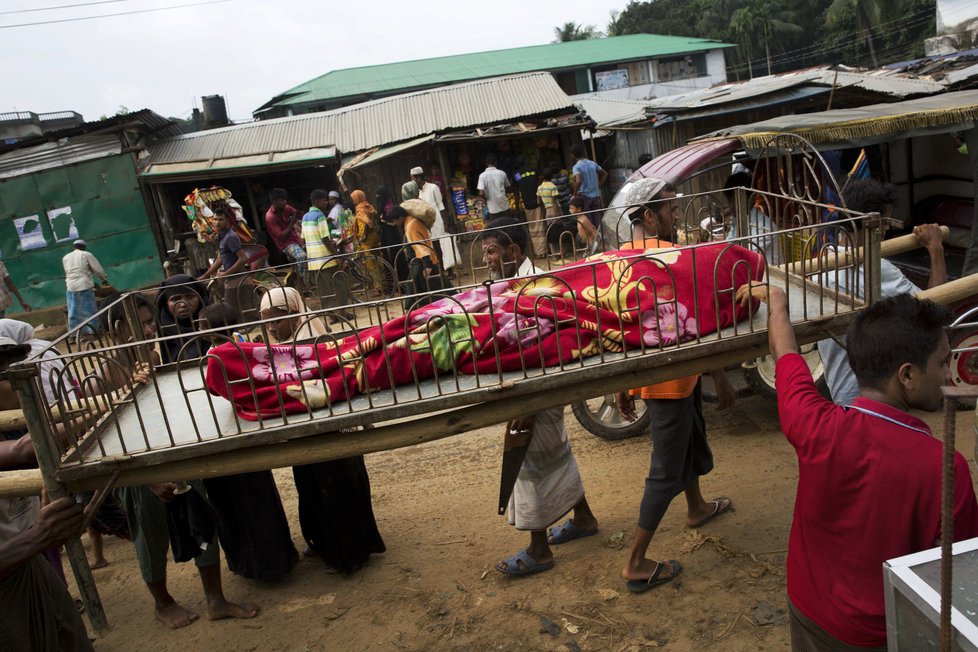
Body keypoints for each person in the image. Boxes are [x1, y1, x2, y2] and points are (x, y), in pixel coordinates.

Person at [737, 285, 978, 650]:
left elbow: (785, 351)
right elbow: (960, 576)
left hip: (808, 610)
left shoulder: (813, 422)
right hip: (881, 634)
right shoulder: (945, 467)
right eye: (943, 363)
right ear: (907, 375)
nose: (948, 375)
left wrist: (776, 301)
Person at [614, 177, 736, 593]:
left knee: (692, 437)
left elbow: (620, 329)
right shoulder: (675, 257)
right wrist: (720, 373)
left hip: (667, 375)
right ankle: (634, 562)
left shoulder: (619, 261)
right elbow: (703, 321)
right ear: (649, 216)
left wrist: (623, 384)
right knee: (664, 471)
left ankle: (697, 507)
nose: (678, 214)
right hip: (669, 379)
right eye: (670, 208)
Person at [485, 219, 599, 576]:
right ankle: (583, 517)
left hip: (538, 388)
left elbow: (541, 351)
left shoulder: (534, 289)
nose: (486, 259)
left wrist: (529, 405)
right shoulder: (517, 283)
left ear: (513, 251)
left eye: (491, 251)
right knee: (555, 449)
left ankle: (539, 550)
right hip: (531, 386)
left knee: (529, 458)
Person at [258, 286, 386, 573]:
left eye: (277, 319)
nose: (271, 327)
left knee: (341, 494)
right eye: (266, 321)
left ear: (295, 314)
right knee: (310, 492)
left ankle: (351, 556)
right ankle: (320, 542)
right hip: (303, 436)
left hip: (333, 431)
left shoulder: (317, 342)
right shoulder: (270, 349)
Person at [816, 178, 946, 405]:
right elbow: (934, 309)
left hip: (840, 390)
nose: (887, 230)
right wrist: (935, 249)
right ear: (871, 223)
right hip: (866, 394)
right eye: (885, 223)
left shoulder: (825, 261)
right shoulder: (876, 269)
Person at [0, 337, 92, 651]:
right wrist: (38, 536)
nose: (19, 382)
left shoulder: (15, 420)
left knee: (69, 636)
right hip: (15, 562)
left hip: (26, 561)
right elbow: (24, 449)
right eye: (7, 376)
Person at [196, 302, 298, 581]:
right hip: (238, 424)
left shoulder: (219, 353)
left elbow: (215, 387)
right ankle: (277, 559)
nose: (199, 330)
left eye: (204, 325)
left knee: (245, 501)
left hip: (234, 429)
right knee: (255, 498)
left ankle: (265, 565)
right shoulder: (239, 343)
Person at [384, 206, 446, 309]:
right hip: (423, 261)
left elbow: (420, 246)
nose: (394, 224)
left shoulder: (411, 226)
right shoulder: (412, 221)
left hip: (421, 263)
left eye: (394, 221)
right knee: (430, 289)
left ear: (400, 218)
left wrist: (427, 264)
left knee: (423, 290)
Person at [302, 189, 350, 312]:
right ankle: (341, 312)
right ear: (317, 201)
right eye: (325, 200)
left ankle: (331, 314)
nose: (327, 203)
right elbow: (324, 239)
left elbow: (303, 238)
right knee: (339, 284)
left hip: (313, 260)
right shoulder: (320, 216)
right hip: (326, 258)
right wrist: (337, 255)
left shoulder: (305, 217)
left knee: (324, 290)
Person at [414, 166, 461, 273]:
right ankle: (440, 270)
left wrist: (445, 222)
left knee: (442, 246)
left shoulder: (433, 188)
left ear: (419, 178)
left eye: (414, 178)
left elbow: (441, 205)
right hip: (426, 225)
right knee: (433, 247)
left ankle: (449, 270)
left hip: (437, 222)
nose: (413, 181)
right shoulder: (417, 192)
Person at [156, 274, 210, 364]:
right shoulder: (164, 323)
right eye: (175, 299)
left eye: (189, 297)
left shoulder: (214, 320)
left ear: (200, 298)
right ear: (166, 304)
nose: (183, 304)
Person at [62, 239, 108, 333]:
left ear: (73, 247)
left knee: (73, 311)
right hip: (84, 285)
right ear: (83, 247)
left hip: (70, 286)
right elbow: (98, 270)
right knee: (88, 310)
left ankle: (74, 333)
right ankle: (91, 331)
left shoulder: (66, 257)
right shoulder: (86, 254)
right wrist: (103, 279)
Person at [264, 188, 307, 273]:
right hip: (285, 244)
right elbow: (281, 237)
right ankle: (305, 281)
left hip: (296, 238)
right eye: (281, 200)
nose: (285, 202)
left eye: (284, 199)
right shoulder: (270, 217)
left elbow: (298, 214)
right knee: (302, 256)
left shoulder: (286, 208)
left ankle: (299, 278)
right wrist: (292, 223)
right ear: (274, 201)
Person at [199, 209, 248, 281]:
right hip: (231, 280)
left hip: (239, 280)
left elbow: (243, 258)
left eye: (221, 220)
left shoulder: (230, 237)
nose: (217, 222)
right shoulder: (221, 236)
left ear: (227, 221)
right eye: (215, 219)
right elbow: (221, 258)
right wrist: (205, 276)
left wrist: (225, 274)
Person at [570, 143, 608, 229]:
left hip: (585, 197)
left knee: (588, 220)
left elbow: (578, 180)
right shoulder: (592, 163)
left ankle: (592, 239)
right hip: (596, 196)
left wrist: (574, 194)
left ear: (572, 155)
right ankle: (599, 237)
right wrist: (599, 186)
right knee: (597, 219)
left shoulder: (577, 166)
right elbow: (605, 174)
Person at [516, 164, 547, 258]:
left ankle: (538, 252)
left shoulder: (517, 174)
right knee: (541, 226)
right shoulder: (534, 169)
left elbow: (516, 189)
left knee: (533, 229)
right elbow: (540, 181)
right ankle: (543, 251)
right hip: (537, 202)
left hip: (527, 204)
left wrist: (517, 206)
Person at [478, 153, 511, 221]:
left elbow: (481, 193)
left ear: (486, 164)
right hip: (504, 206)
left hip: (493, 208)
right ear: (496, 162)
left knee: (496, 228)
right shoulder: (502, 173)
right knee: (507, 226)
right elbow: (508, 187)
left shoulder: (482, 176)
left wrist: (485, 198)